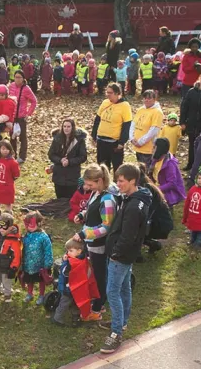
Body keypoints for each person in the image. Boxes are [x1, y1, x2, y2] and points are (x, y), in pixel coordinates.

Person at [99, 163, 153, 354]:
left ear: (132, 181)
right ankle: (121, 323)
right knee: (124, 288)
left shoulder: (132, 207)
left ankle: (116, 334)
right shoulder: (137, 198)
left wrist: (115, 253)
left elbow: (128, 236)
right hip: (126, 255)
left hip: (121, 256)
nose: (118, 184)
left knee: (112, 292)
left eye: (121, 181)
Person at [73, 164, 116, 322]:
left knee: (99, 276)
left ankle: (98, 308)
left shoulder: (108, 200)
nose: (87, 187)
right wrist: (82, 215)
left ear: (99, 180)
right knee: (92, 274)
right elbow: (92, 210)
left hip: (99, 244)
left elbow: (106, 226)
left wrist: (85, 233)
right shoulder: (95, 193)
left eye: (90, 185)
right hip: (90, 241)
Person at [92, 83, 133, 170]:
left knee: (117, 169)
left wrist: (122, 142)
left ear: (117, 93)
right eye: (107, 92)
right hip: (101, 141)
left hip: (114, 144)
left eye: (110, 93)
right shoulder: (105, 102)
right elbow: (97, 120)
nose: (108, 95)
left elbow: (127, 125)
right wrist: (94, 136)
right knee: (102, 168)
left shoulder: (125, 106)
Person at [48, 117, 88, 198]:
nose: (66, 129)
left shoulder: (79, 140)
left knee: (71, 199)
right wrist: (60, 160)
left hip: (72, 174)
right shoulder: (57, 138)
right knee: (59, 198)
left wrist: (69, 161)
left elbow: (83, 157)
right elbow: (51, 154)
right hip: (59, 174)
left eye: (68, 126)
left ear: (72, 127)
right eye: (64, 126)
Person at [6, 70, 37, 163]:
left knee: (22, 137)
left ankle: (22, 157)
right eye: (16, 77)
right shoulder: (11, 86)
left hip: (21, 117)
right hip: (11, 117)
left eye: (19, 77)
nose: (17, 79)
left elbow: (34, 101)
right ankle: (12, 155)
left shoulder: (26, 88)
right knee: (12, 137)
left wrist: (28, 113)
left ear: (23, 79)